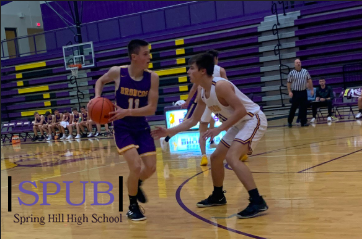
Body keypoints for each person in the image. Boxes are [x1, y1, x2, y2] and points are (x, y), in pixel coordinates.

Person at [152, 53, 268, 219]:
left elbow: (241, 110)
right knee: (215, 158)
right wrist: (169, 132)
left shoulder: (220, 86)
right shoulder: (202, 91)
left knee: (232, 157)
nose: (188, 72)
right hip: (238, 123)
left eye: (191, 68)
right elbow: (193, 120)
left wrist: (219, 128)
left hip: (253, 119)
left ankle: (257, 201)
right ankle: (218, 195)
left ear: (202, 71)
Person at [88, 39, 159, 221]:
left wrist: (127, 111)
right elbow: (100, 81)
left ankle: (137, 183)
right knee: (135, 166)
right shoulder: (117, 72)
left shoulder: (152, 78)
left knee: (150, 168)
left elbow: (151, 108)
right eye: (145, 54)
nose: (149, 57)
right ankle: (132, 206)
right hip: (122, 126)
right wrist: (97, 98)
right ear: (134, 57)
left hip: (141, 125)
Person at [181, 49, 228, 166]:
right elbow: (227, 84)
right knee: (229, 126)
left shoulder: (201, 72)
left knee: (202, 128)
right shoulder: (221, 70)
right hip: (218, 100)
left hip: (205, 100)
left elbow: (193, 89)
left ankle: (203, 156)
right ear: (215, 59)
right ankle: (238, 150)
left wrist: (187, 101)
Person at [287, 59, 314, 127]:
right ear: (294, 64)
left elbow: (309, 80)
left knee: (303, 108)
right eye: (297, 63)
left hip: (303, 92)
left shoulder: (305, 71)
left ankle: (303, 122)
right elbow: (288, 83)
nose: (298, 64)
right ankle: (290, 121)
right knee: (293, 107)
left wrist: (312, 89)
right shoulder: (291, 73)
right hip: (295, 92)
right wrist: (289, 91)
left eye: (299, 62)